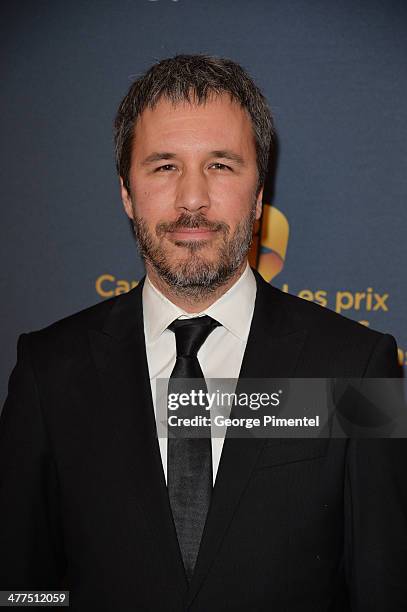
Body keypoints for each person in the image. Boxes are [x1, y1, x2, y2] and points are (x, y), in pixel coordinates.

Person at [0, 54, 405, 611]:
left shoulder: (357, 365)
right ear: (126, 193)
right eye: (164, 166)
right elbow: (22, 589)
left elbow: (384, 587)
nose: (192, 200)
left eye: (220, 165)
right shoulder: (48, 371)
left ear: (259, 193)